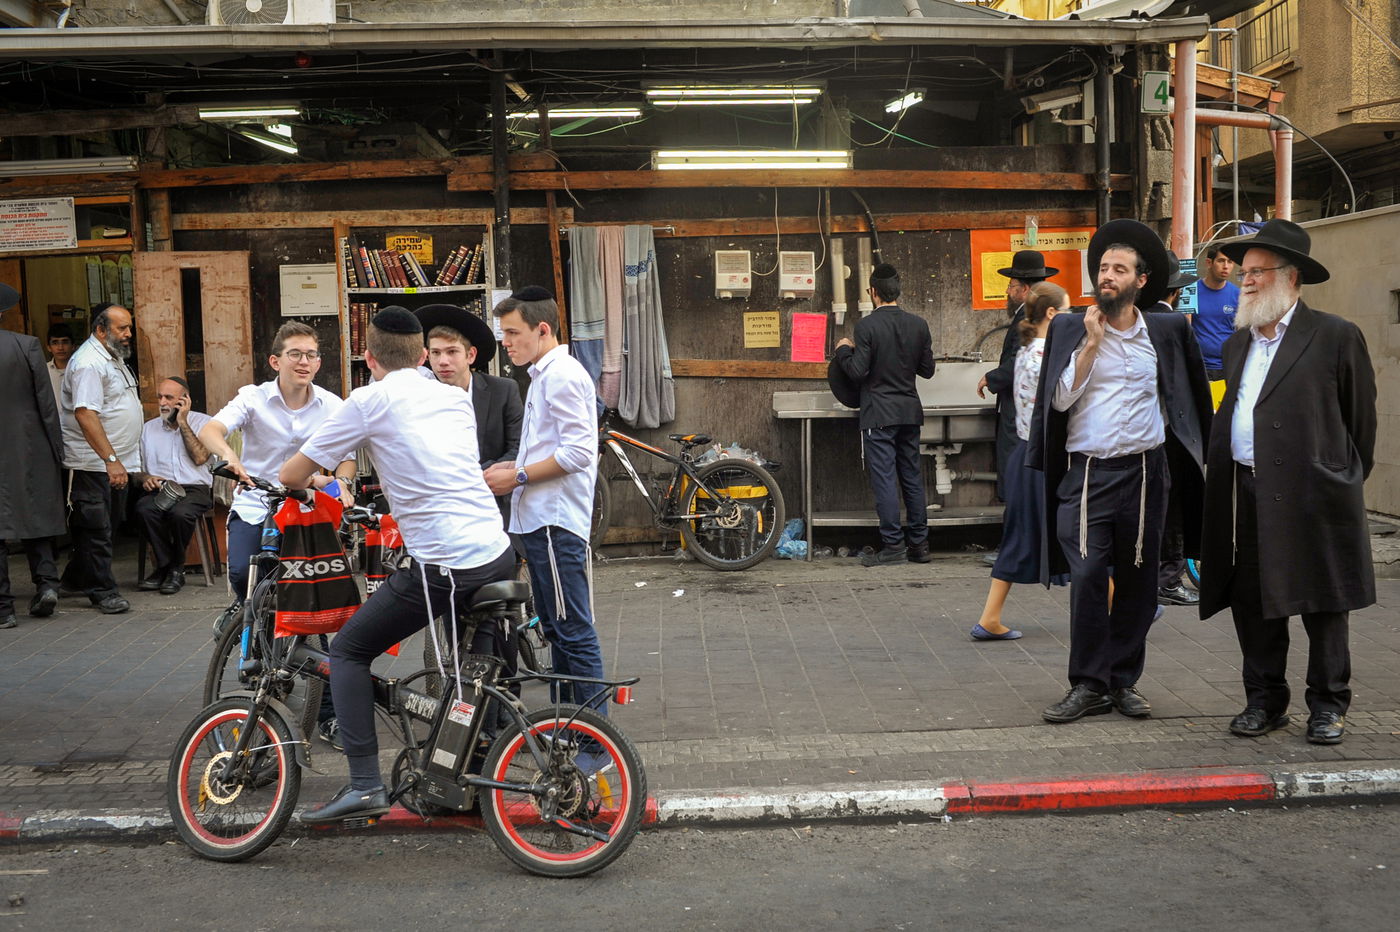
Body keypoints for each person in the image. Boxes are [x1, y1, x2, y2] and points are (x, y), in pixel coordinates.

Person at [280, 307, 515, 823]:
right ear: (422, 355)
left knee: (347, 650)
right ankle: (465, 771)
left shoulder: (370, 399)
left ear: (368, 358)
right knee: (467, 673)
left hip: (446, 565)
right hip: (496, 553)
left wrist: (305, 484)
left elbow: (293, 471)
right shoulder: (453, 397)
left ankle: (364, 784)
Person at [1198, 219, 1377, 746]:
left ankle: (1327, 705)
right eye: (1243, 272)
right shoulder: (1237, 346)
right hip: (1248, 493)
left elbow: (1360, 424)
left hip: (1314, 495)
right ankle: (1265, 701)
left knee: (1323, 603)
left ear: (1291, 276)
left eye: (1256, 272)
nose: (1244, 281)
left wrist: (1340, 478)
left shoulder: (1335, 335)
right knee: (1253, 600)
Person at [1027, 220, 1212, 724]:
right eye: (1103, 267)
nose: (1107, 276)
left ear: (1141, 281)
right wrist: (1089, 344)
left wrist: (1203, 456)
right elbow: (1057, 400)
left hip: (1148, 472)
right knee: (1087, 576)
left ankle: (1122, 681)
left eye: (1118, 269)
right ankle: (1087, 683)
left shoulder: (1168, 329)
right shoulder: (1070, 326)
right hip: (1088, 474)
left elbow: (1190, 398)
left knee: (1139, 580)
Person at [484, 286, 609, 712]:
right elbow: (547, 447)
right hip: (540, 522)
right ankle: (568, 727)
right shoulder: (542, 373)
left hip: (554, 523)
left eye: (513, 332)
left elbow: (578, 452)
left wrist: (517, 475)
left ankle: (595, 741)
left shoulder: (561, 374)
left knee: (572, 628)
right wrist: (512, 470)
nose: (506, 342)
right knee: (556, 629)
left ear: (542, 329)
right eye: (504, 333)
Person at [200, 321, 355, 627]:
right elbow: (211, 429)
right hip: (256, 498)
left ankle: (294, 645)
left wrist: (344, 482)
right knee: (245, 572)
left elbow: (346, 459)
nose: (304, 362)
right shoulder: (253, 397)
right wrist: (229, 455)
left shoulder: (332, 405)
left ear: (319, 362)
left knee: (299, 584)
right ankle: (241, 608)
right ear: (276, 361)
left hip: (303, 504)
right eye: (295, 354)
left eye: (311, 355)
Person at [970, 281, 1068, 641]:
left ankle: (990, 619)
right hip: (1045, 460)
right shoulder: (1048, 355)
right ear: (1053, 313)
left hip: (1025, 456)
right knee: (1080, 534)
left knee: (1029, 537)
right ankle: (1126, 606)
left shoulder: (1027, 350)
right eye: (1068, 309)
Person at [833, 264, 936, 566]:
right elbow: (927, 370)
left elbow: (856, 370)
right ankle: (919, 546)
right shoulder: (919, 325)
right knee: (912, 479)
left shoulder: (866, 327)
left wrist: (843, 350)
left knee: (885, 480)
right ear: (897, 292)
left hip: (879, 414)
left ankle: (893, 547)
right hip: (909, 412)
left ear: (873, 293)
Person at [59, 303, 143, 614]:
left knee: (103, 525)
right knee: (97, 529)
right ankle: (103, 591)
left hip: (115, 461)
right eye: (122, 328)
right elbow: (85, 413)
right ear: (100, 330)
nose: (128, 334)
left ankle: (74, 578)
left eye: (129, 327)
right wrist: (110, 459)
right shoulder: (89, 363)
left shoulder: (113, 357)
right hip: (93, 463)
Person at [416, 303, 523, 523]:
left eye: (452, 351)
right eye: (435, 353)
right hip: (438, 509)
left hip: (495, 505)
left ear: (471, 355)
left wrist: (478, 477)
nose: (442, 361)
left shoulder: (503, 390)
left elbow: (519, 447)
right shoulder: (419, 398)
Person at [0, 283, 65, 629]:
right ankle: (46, 585)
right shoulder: (26, 346)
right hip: (29, 446)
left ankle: (3, 609)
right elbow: (46, 405)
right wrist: (57, 451)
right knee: (35, 518)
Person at [978, 250, 1058, 506]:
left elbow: (1020, 361)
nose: (1007, 291)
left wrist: (991, 378)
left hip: (1020, 410)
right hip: (1027, 407)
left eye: (1011, 286)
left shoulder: (1027, 316)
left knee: (1015, 468)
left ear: (1023, 289)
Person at [1151, 251, 1203, 611]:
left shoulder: (1132, 320)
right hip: (1175, 431)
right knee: (1174, 508)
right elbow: (1192, 381)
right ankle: (1168, 579)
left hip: (1141, 432)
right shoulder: (1174, 326)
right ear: (1174, 293)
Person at [134, 377, 213, 595]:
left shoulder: (205, 423)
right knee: (144, 509)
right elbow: (136, 468)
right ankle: (168, 566)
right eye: (160, 397)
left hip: (194, 489)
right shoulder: (148, 429)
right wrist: (145, 478)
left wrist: (183, 422)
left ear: (184, 400)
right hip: (161, 488)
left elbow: (199, 458)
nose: (163, 402)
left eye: (169, 397)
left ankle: (174, 568)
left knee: (180, 514)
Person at [1189, 245, 1239, 381]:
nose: (1226, 266)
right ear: (1209, 263)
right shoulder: (1191, 293)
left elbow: (1242, 332)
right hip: (1199, 367)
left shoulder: (1238, 295)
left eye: (1230, 262)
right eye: (1221, 261)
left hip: (1228, 368)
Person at [45, 323, 75, 403]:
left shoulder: (82, 370)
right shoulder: (43, 371)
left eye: (65, 342)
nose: (60, 347)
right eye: (55, 343)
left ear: (73, 346)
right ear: (48, 347)